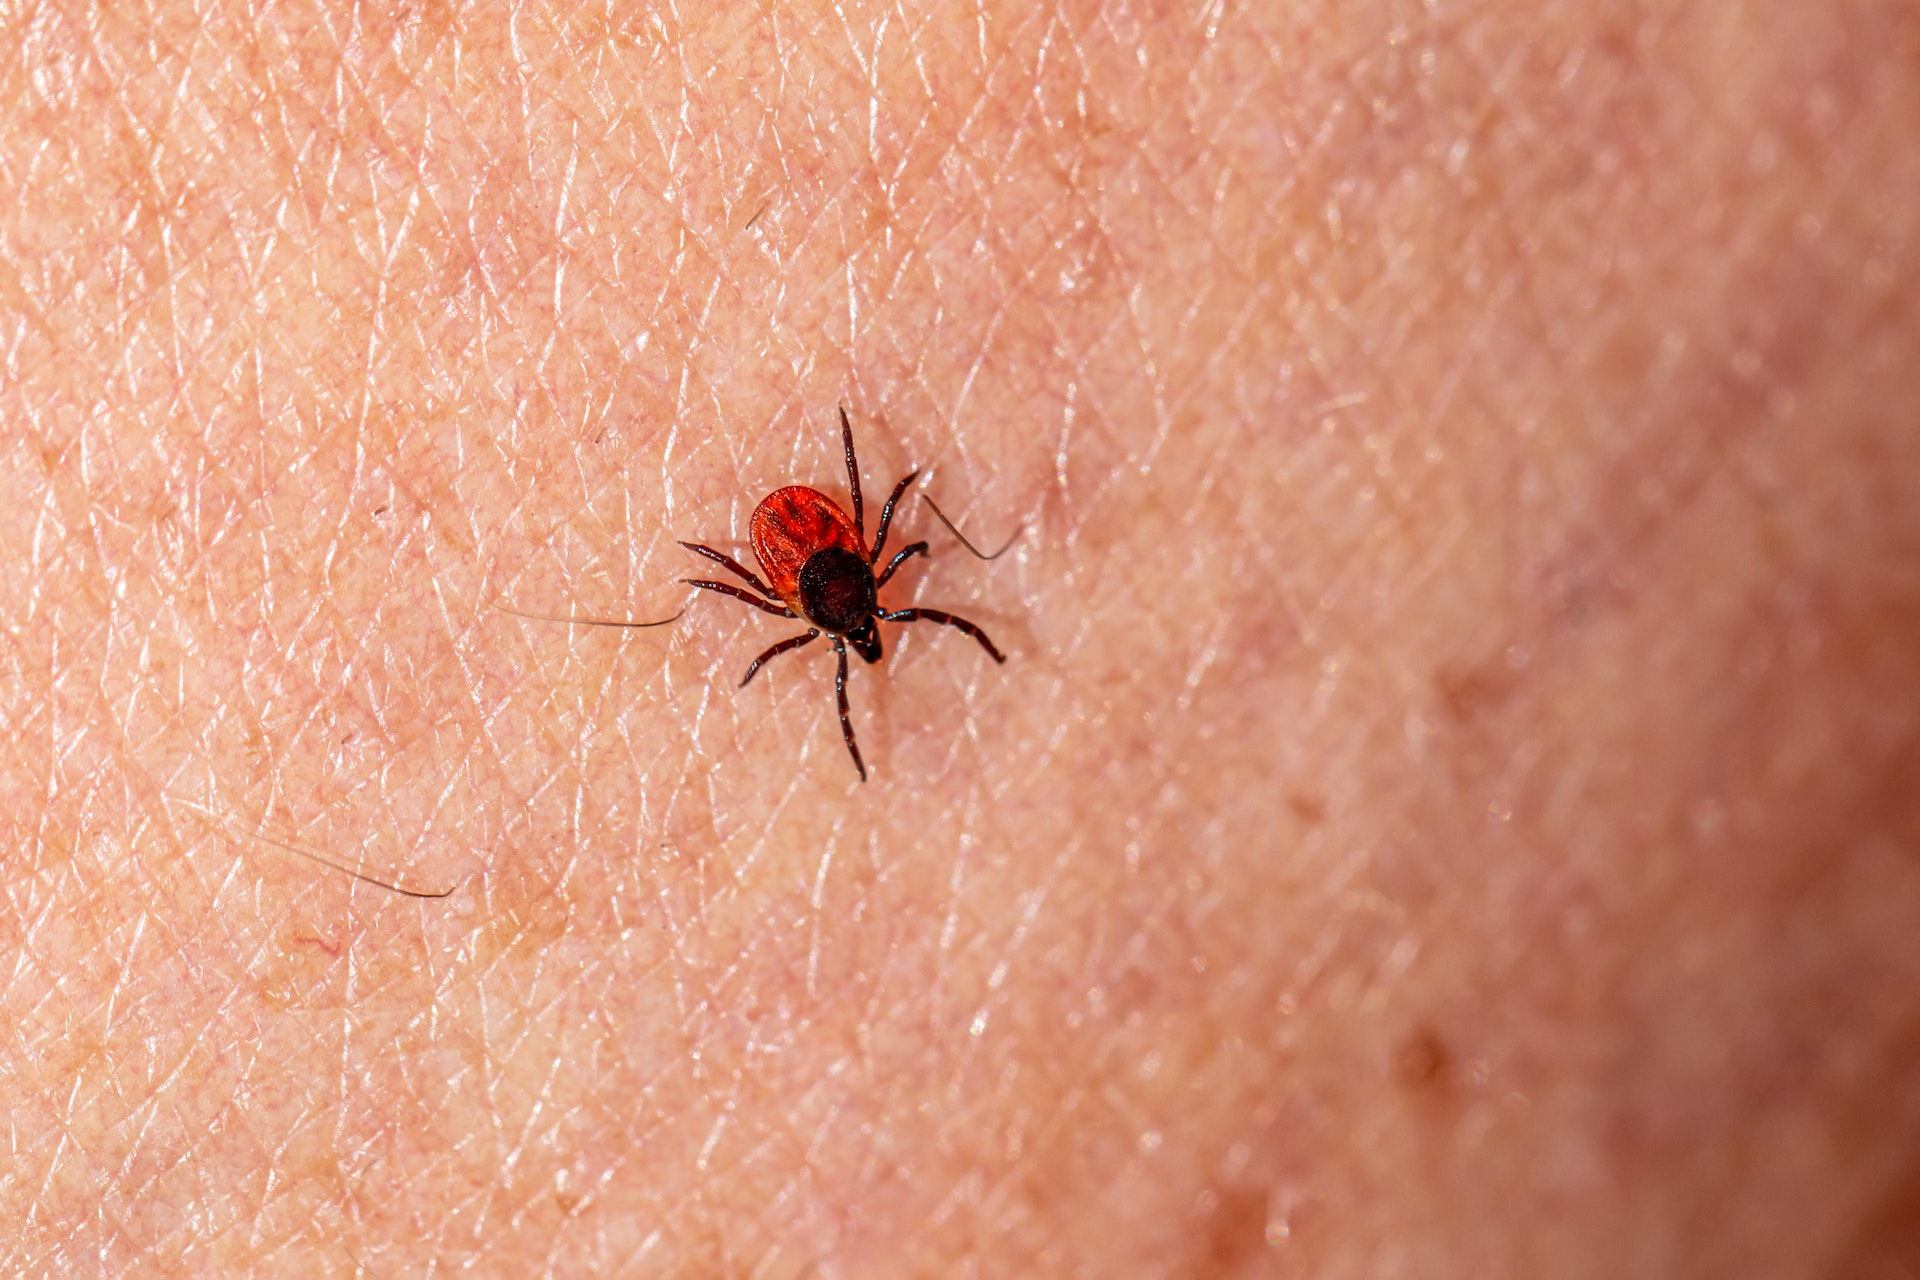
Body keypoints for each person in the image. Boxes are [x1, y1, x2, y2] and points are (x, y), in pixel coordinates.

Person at [2, 2, 1915, 1273]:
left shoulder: (825, 585)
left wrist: (829, 584)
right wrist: (816, 574)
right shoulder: (832, 586)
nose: (861, 611)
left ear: (840, 585)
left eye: (857, 604)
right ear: (826, 595)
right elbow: (795, 564)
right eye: (847, 610)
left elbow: (797, 563)